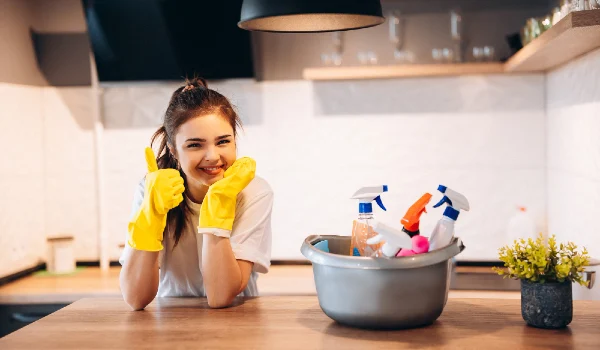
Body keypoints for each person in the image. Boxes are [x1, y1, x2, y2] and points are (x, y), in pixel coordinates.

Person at [119, 78, 273, 310]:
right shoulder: (152, 190)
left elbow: (220, 297)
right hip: (170, 320)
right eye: (194, 145)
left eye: (223, 141)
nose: (212, 156)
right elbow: (135, 298)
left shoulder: (253, 192)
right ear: (173, 150)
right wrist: (151, 214)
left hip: (237, 323)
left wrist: (219, 205)